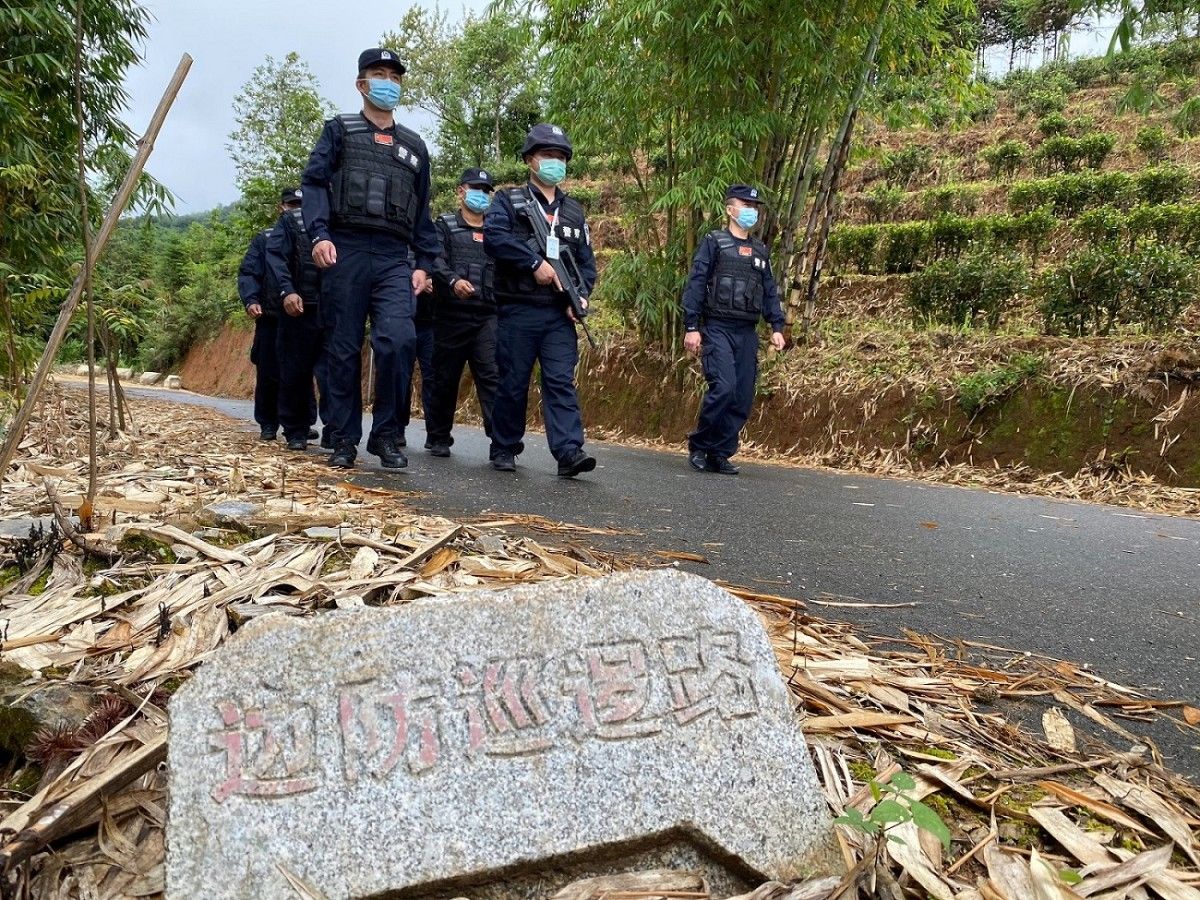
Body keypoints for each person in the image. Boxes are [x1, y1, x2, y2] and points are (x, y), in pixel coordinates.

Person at [300, 47, 441, 470]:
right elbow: (314, 183)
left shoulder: (415, 146)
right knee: (342, 347)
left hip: (396, 256)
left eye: (395, 77)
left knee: (399, 341)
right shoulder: (339, 131)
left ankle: (387, 435)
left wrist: (424, 263)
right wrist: (319, 235)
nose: (388, 83)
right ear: (362, 84)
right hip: (346, 248)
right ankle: (343, 438)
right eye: (379, 75)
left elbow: (423, 210)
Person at [484, 124, 597, 477]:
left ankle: (568, 451)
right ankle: (504, 446)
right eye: (548, 155)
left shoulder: (575, 212)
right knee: (513, 381)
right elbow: (494, 239)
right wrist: (533, 263)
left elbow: (586, 263)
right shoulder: (508, 201)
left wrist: (579, 296)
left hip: (557, 315)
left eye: (561, 157)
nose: (555, 162)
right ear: (531, 160)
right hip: (518, 308)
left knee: (561, 380)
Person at [682, 184, 786, 475]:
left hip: (747, 332)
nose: (751, 211)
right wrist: (692, 326)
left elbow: (768, 290)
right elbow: (696, 284)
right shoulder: (714, 242)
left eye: (755, 207)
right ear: (730, 209)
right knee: (724, 387)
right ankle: (700, 445)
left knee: (741, 395)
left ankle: (720, 452)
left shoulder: (760, 250)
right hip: (717, 327)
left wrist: (776, 326)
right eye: (745, 205)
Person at [425, 167, 500, 457]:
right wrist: (453, 281)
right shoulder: (444, 225)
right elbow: (435, 259)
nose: (481, 194)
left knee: (492, 375)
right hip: (450, 314)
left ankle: (501, 443)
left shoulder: (496, 230)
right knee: (445, 377)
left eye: (485, 190)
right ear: (461, 190)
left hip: (487, 315)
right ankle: (439, 435)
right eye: (475, 188)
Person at [266, 187, 327, 451]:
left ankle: (336, 430)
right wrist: (287, 291)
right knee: (295, 371)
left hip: (329, 308)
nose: (298, 207)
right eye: (293, 203)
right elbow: (276, 258)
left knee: (334, 372)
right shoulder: (289, 222)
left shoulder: (333, 219)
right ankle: (295, 430)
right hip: (297, 308)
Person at [237, 217, 282, 441]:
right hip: (270, 315)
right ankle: (268, 423)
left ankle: (299, 424)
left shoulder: (314, 235)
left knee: (301, 372)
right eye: (290, 205)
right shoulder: (265, 239)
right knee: (268, 372)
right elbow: (249, 272)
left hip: (303, 316)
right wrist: (251, 299)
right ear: (281, 207)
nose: (295, 210)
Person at [398, 255, 436, 450]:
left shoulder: (431, 244)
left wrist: (433, 280)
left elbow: (447, 269)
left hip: (430, 323)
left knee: (433, 377)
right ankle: (397, 429)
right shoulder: (398, 241)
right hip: (403, 320)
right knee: (401, 375)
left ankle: (435, 432)